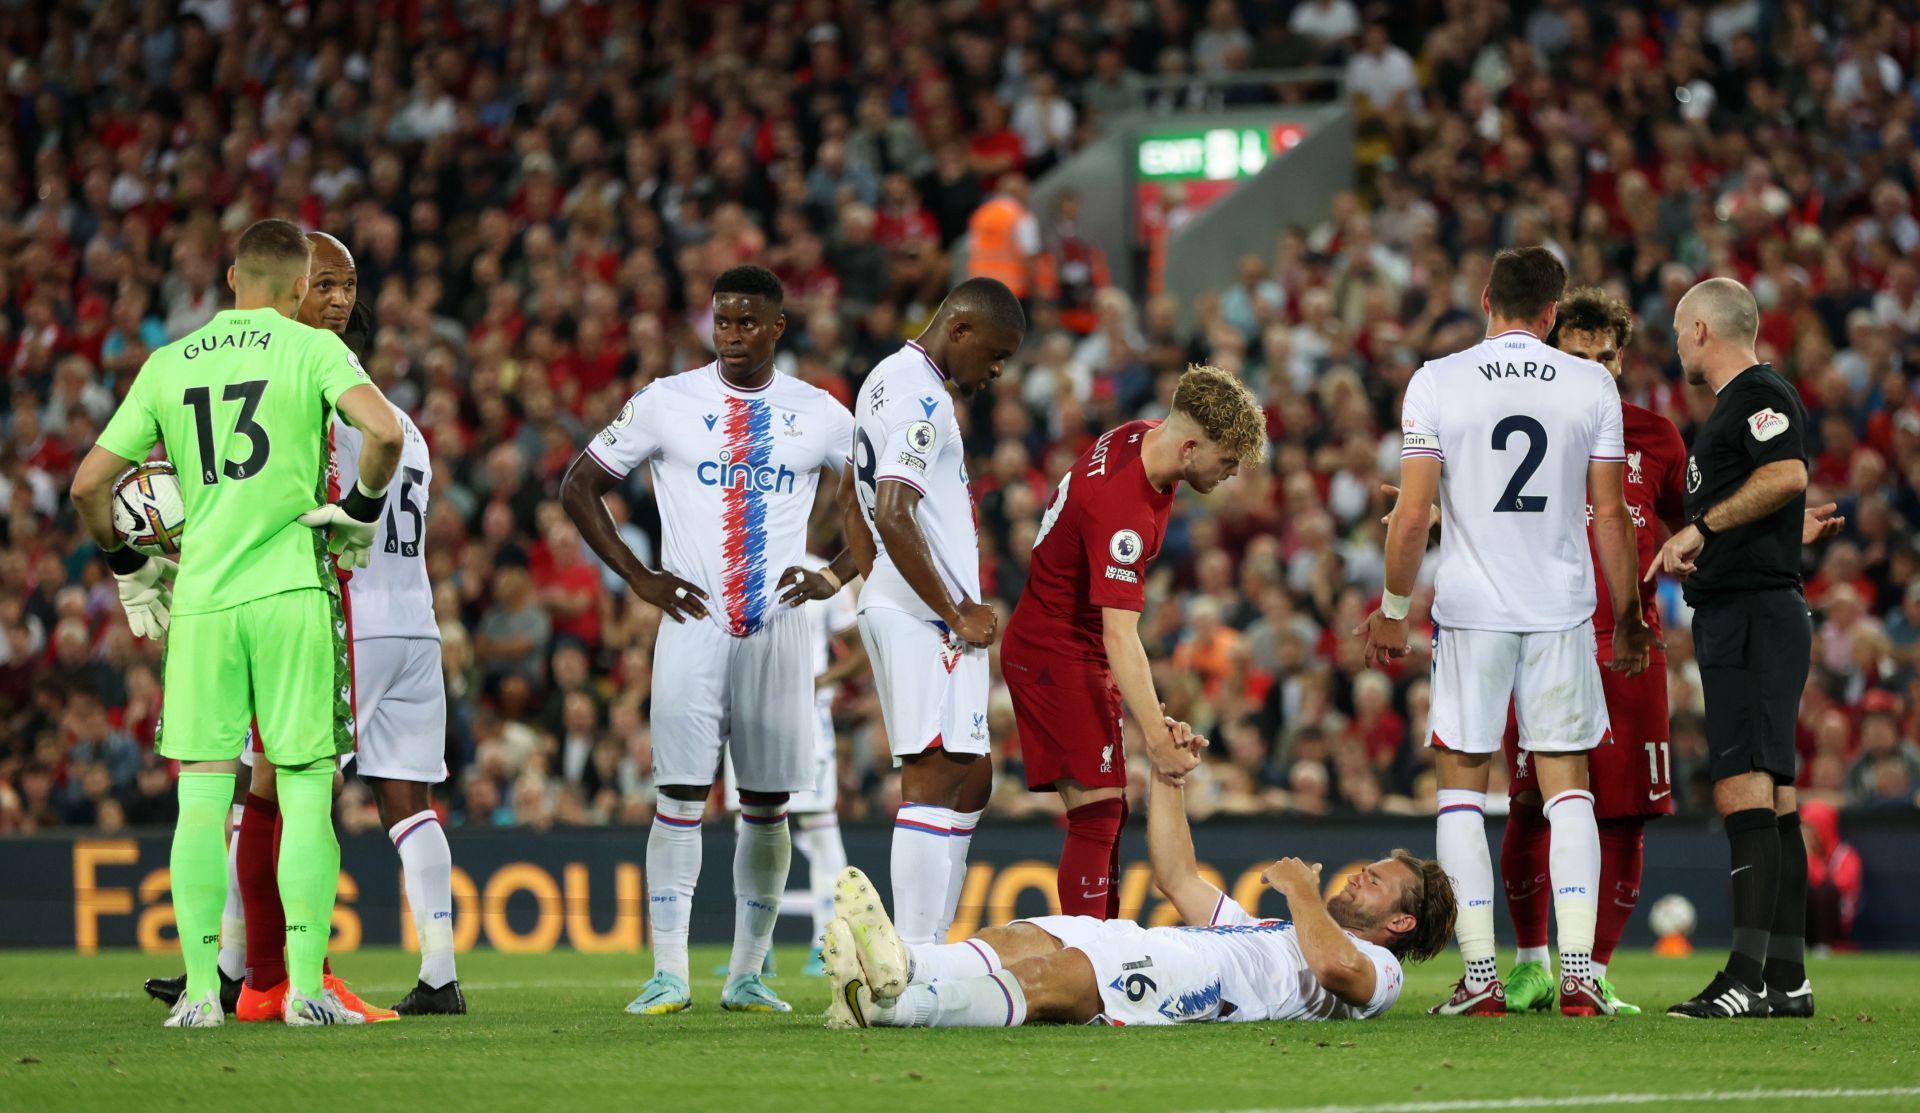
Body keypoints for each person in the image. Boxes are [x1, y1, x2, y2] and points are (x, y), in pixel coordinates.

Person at [70, 218, 403, 1027]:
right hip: (292, 591)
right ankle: (305, 991)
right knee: (304, 790)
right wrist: (356, 514)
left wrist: (130, 566)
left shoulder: (166, 362)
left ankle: (196, 996)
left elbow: (88, 486)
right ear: (297, 287)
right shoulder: (314, 349)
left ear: (230, 278)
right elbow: (384, 434)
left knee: (201, 797)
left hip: (204, 602)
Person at [1362, 246, 1654, 1017]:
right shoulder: (1591, 382)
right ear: (1555, 313)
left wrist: (1393, 609)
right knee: (1568, 787)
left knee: (1463, 785)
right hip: (1560, 606)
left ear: (1486, 295)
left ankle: (1483, 976)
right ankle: (1582, 973)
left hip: (1471, 609)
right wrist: (1626, 618)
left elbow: (1415, 512)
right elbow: (1614, 516)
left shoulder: (1437, 380)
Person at [561, 265, 858, 1016]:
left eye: (748, 322)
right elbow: (577, 485)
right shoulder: (667, 401)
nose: (732, 335)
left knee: (767, 805)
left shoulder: (818, 411)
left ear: (777, 327)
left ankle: (747, 974)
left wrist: (839, 575)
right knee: (680, 797)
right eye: (723, 322)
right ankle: (669, 973)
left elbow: (885, 496)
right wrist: (638, 576)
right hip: (691, 625)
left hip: (780, 629)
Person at [820, 737, 1455, 1029]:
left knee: (1062, 977)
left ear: (1400, 924)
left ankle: (892, 1007)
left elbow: (1338, 968)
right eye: (1369, 869)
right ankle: (901, 962)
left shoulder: (1380, 970)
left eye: (1376, 883)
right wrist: (1168, 779)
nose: (1360, 877)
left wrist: (1301, 890)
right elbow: (1178, 876)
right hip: (1168, 943)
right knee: (1028, 934)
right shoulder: (1277, 930)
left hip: (1200, 984)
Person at [1001, 365, 1266, 918]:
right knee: (1098, 814)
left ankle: (1102, 953)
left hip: (1066, 644)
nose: (1232, 473)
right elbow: (1119, 633)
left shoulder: (1136, 436)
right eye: (1226, 460)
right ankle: (1088, 965)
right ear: (1190, 447)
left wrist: (1147, 714)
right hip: (1057, 652)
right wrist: (1155, 735)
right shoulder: (1124, 512)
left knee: (1106, 813)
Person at [1496, 288, 1683, 1016]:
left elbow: (1687, 526)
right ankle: (1533, 963)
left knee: (1625, 815)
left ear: (1622, 358)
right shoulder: (1515, 430)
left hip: (1631, 647)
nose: (1594, 368)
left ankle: (1593, 971)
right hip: (1540, 636)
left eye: (1606, 356)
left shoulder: (1657, 437)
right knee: (1528, 805)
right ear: (1550, 356)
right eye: (1578, 356)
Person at [840, 277, 1026, 950]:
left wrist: (878, 584)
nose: (998, 369)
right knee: (936, 770)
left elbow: (845, 498)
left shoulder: (881, 379)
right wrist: (949, 607)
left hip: (907, 595)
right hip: (930, 609)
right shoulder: (923, 394)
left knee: (974, 770)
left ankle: (930, 945)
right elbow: (891, 507)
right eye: (996, 353)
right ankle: (913, 961)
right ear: (961, 331)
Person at [1648, 277, 1816, 1020]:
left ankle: (1744, 976)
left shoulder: (1755, 394)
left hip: (1751, 616)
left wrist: (1701, 529)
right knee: (1775, 795)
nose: (1678, 344)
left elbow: (1787, 473)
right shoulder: (1736, 408)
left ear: (1704, 332)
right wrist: (1782, 533)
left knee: (1744, 785)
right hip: (1751, 607)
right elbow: (1774, 493)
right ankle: (1786, 978)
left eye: (1682, 330)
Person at [718, 552, 868, 976]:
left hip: (808, 720)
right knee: (745, 827)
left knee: (820, 828)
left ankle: (829, 945)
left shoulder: (821, 573)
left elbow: (859, 649)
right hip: (748, 713)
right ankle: (755, 951)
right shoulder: (738, 562)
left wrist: (821, 680)